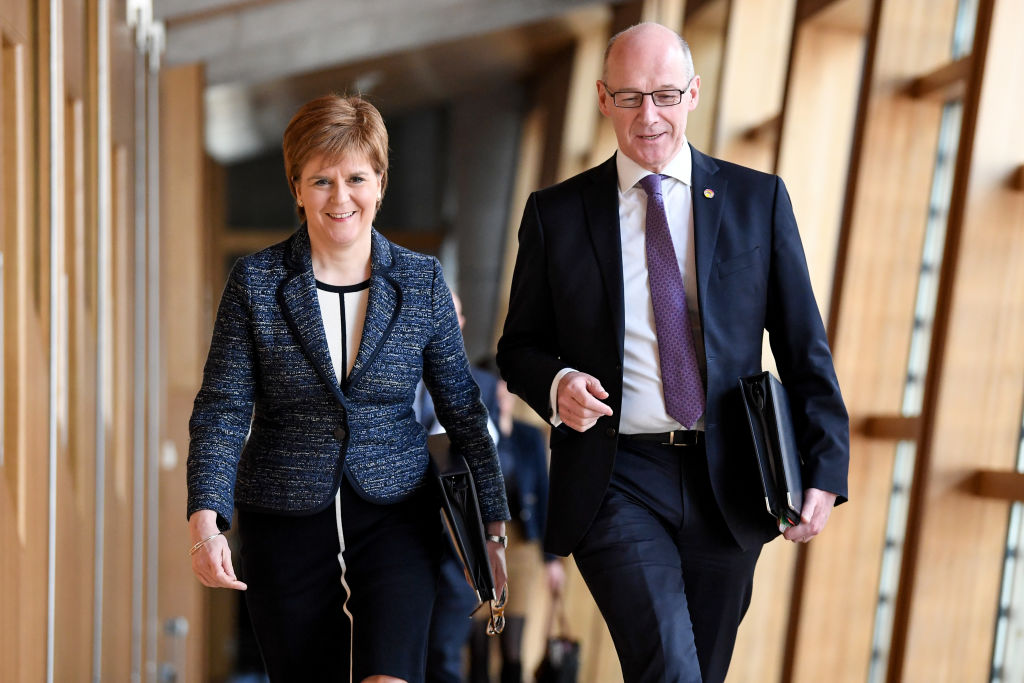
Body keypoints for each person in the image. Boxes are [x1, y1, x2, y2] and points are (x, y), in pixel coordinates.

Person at [496, 23, 849, 683]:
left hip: (733, 479)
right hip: (615, 474)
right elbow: (518, 347)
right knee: (671, 669)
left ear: (691, 94)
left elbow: (804, 344)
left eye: (663, 94)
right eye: (629, 97)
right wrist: (559, 382)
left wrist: (825, 463)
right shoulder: (557, 214)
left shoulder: (757, 200)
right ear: (601, 99)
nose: (648, 115)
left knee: (698, 672)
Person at [186, 94, 510, 683]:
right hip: (283, 512)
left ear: (380, 183)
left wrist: (492, 528)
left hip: (397, 512)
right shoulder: (256, 283)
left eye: (356, 178)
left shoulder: (420, 280)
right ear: (297, 187)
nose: (341, 198)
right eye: (321, 181)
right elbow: (223, 407)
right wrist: (207, 523)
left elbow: (462, 408)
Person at [468, 378, 566, 683]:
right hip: (480, 541)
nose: (503, 401)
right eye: (495, 396)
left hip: (522, 545)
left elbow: (544, 491)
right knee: (478, 643)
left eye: (506, 394)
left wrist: (552, 560)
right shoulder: (477, 434)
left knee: (513, 645)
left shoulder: (529, 437)